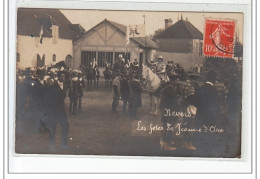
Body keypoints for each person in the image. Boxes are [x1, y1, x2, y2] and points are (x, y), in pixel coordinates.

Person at [159, 71, 182, 150]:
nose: (177, 81)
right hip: (170, 111)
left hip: (166, 110)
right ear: (173, 81)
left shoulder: (167, 88)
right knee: (169, 127)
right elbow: (174, 101)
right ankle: (166, 145)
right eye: (176, 80)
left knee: (166, 126)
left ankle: (166, 141)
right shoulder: (171, 89)